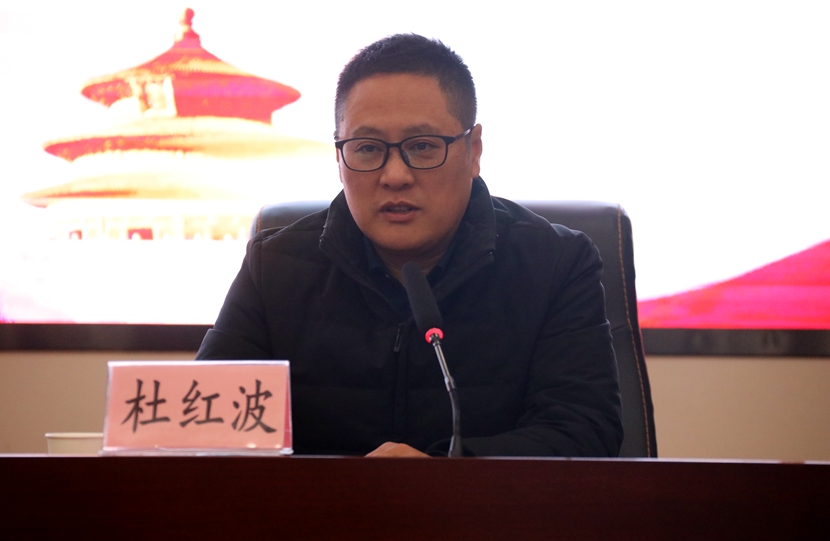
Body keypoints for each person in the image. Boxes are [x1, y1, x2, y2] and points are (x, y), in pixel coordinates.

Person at [196, 34, 622, 458]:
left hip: (482, 505)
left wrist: (439, 474)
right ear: (339, 157)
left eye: (422, 147)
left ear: (473, 151)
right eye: (367, 148)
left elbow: (584, 431)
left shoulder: (554, 264)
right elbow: (200, 430)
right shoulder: (276, 268)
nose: (395, 176)